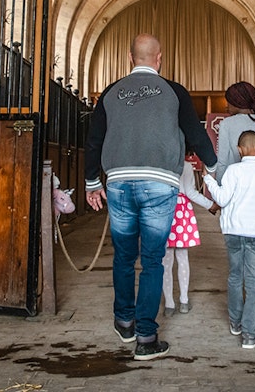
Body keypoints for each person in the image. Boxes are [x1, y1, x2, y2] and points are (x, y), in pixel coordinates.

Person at [84, 33, 218, 361]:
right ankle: (146, 337)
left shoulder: (110, 93)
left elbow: (94, 139)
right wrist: (213, 168)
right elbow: (194, 131)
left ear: (131, 58)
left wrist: (91, 183)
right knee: (154, 259)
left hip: (118, 182)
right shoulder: (175, 92)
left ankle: (124, 321)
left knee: (124, 257)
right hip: (160, 183)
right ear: (159, 59)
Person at [203, 130, 255, 349]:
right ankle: (249, 334)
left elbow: (221, 198)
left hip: (233, 233)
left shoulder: (233, 171)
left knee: (234, 276)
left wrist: (208, 181)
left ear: (239, 151)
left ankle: (235, 322)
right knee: (253, 280)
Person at [215, 80, 255, 320]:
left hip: (237, 193)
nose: (226, 105)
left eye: (228, 101)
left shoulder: (228, 125)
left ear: (235, 102)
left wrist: (220, 195)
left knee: (239, 248)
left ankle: (245, 298)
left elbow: (223, 163)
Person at [162, 156, 219, 317]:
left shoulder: (162, 161)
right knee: (182, 257)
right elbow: (190, 193)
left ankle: (169, 304)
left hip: (163, 209)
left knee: (166, 261)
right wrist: (210, 205)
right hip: (181, 212)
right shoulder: (186, 165)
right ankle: (184, 301)